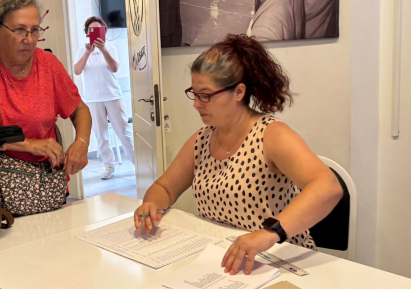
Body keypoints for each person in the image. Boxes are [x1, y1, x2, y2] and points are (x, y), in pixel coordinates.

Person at [133, 35, 342, 275]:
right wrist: (151, 204)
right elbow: (165, 188)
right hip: (226, 260)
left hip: (278, 261)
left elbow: (328, 187)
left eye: (206, 95)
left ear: (239, 92)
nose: (196, 104)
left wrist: (269, 233)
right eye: (194, 93)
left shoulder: (271, 136)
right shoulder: (202, 139)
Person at [0, 0, 91, 177]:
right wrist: (28, 144)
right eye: (19, 30)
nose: (29, 39)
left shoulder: (48, 64)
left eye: (35, 30)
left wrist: (82, 143)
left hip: (44, 180)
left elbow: (80, 110)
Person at [73, 16, 134, 179]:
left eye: (98, 30)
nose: (94, 33)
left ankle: (136, 161)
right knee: (101, 135)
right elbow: (77, 71)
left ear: (104, 31)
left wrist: (103, 50)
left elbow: (114, 68)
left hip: (112, 96)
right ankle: (109, 165)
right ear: (87, 33)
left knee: (123, 131)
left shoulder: (110, 48)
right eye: (91, 30)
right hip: (93, 98)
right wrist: (88, 53)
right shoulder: (82, 51)